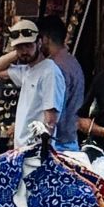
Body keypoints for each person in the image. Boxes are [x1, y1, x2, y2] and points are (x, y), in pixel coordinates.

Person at [0, 19, 65, 151]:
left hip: (36, 151)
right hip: (22, 148)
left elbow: (51, 120)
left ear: (39, 42)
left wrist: (42, 150)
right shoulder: (26, 71)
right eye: (19, 47)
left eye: (28, 46)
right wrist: (18, 51)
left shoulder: (49, 71)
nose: (24, 51)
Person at [38, 15, 85, 153]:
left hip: (58, 143)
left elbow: (54, 112)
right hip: (70, 139)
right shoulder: (71, 62)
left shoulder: (55, 67)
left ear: (45, 39)